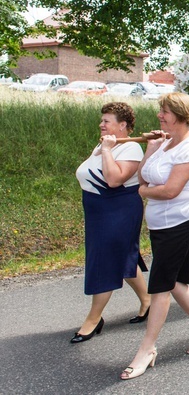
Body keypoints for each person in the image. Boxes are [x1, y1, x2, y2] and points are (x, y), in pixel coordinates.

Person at [121, 93, 189, 380]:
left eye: (165, 111)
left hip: (182, 222)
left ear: (181, 115)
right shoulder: (165, 143)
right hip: (160, 225)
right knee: (176, 282)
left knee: (160, 285)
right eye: (160, 110)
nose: (160, 115)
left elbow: (170, 190)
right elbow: (143, 176)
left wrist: (144, 192)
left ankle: (146, 349)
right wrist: (151, 149)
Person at [72, 102, 151, 344]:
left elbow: (114, 180)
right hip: (98, 212)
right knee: (122, 256)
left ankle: (94, 319)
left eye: (107, 121)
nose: (101, 124)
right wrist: (105, 147)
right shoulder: (105, 143)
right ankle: (147, 300)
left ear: (123, 125)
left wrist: (107, 150)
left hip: (119, 211)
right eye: (102, 120)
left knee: (105, 261)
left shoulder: (130, 149)